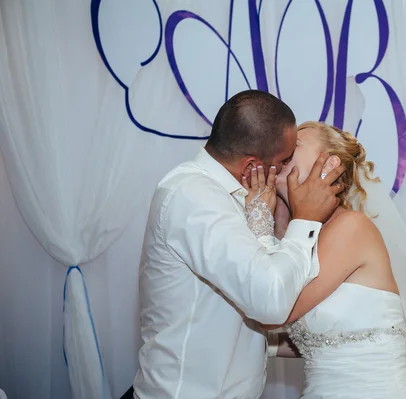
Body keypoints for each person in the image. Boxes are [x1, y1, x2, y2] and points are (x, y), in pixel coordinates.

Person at [132, 91, 345, 399]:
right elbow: (270, 302)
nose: (286, 170)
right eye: (283, 161)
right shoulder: (193, 196)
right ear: (251, 166)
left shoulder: (242, 199)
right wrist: (306, 219)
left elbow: (250, 303)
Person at [253, 121, 406, 399]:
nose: (281, 151)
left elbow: (274, 311)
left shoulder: (351, 228)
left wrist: (261, 221)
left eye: (294, 147)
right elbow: (325, 339)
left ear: (330, 164)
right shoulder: (305, 242)